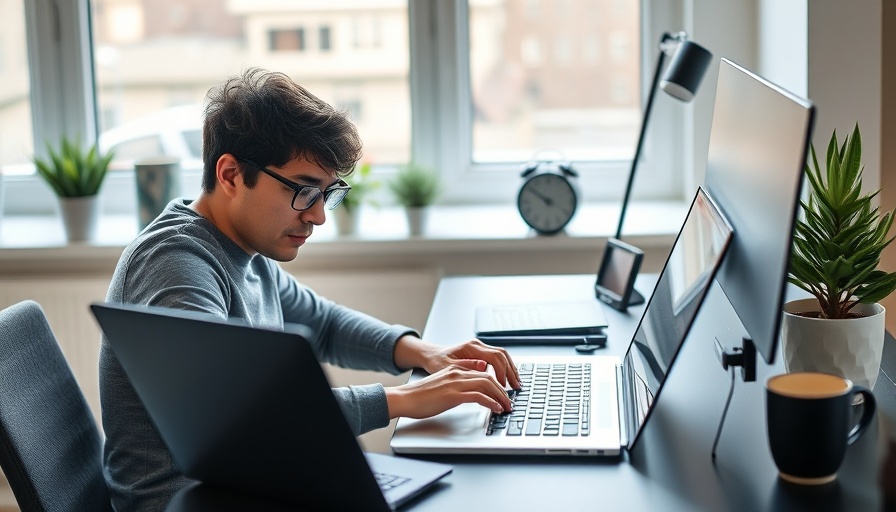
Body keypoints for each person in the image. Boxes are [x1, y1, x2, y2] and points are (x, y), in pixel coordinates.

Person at [99, 67, 521, 510]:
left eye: (326, 194)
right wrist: (403, 400)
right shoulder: (176, 264)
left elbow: (323, 324)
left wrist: (423, 351)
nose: (318, 216)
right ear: (231, 175)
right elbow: (235, 421)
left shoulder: (242, 246)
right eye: (303, 191)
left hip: (249, 481)